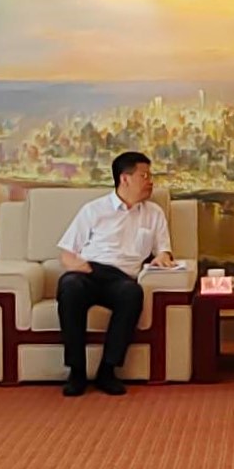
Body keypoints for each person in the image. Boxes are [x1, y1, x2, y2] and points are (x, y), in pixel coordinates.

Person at [55, 151, 181, 396]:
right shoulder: (94, 210)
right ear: (125, 178)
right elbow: (67, 254)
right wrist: (79, 267)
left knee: (132, 294)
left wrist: (162, 258)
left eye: (150, 176)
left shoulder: (154, 213)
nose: (150, 181)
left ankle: (107, 370)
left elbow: (164, 251)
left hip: (121, 279)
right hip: (89, 272)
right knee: (69, 287)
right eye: (144, 176)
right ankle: (77, 371)